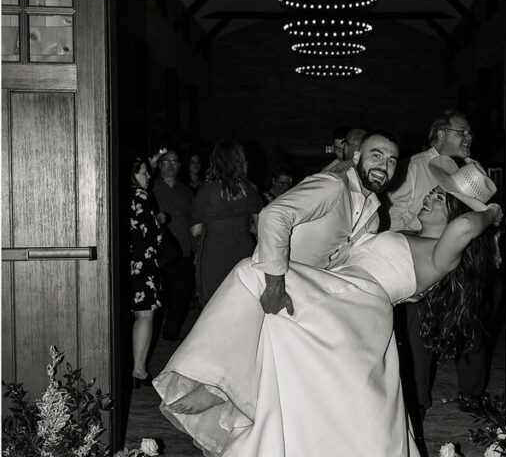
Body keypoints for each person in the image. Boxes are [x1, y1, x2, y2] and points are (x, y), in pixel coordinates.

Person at [153, 160, 506, 457]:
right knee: (271, 314)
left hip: (359, 309)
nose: (428, 197)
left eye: (440, 197)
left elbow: (464, 227)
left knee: (253, 273)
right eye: (432, 192)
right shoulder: (401, 232)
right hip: (341, 302)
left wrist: (491, 213)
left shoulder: (444, 252)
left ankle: (217, 387)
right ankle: (228, 388)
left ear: (459, 211)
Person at [388, 111, 493, 417]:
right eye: (463, 132)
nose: (469, 137)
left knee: (471, 325)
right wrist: (425, 237)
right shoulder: (414, 166)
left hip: (468, 258)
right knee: (419, 330)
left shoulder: (473, 168)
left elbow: (481, 216)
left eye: (470, 133)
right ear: (441, 133)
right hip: (425, 256)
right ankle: (418, 401)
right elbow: (395, 214)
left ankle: (473, 395)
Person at [254, 132, 398, 316]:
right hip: (266, 290)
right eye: (376, 156)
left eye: (391, 161)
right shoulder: (333, 185)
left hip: (305, 301)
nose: (384, 166)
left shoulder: (373, 218)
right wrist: (274, 287)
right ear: (356, 157)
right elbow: (273, 215)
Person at [190, 139, 263, 307]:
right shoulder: (251, 189)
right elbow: (261, 228)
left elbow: (195, 230)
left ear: (215, 161)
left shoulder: (206, 191)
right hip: (244, 252)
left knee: (215, 306)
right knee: (242, 303)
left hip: (214, 254)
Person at [153, 149, 194, 342]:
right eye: (166, 161)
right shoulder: (152, 187)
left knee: (181, 293)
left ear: (179, 165)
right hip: (158, 250)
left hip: (183, 250)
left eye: (174, 161)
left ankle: (171, 331)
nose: (170, 165)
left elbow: (193, 220)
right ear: (160, 164)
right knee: (159, 294)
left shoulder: (186, 191)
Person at [129, 155, 163, 386]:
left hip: (124, 262)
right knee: (145, 315)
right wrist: (159, 221)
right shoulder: (141, 195)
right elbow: (152, 234)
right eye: (144, 172)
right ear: (133, 175)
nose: (149, 176)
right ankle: (139, 369)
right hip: (142, 263)